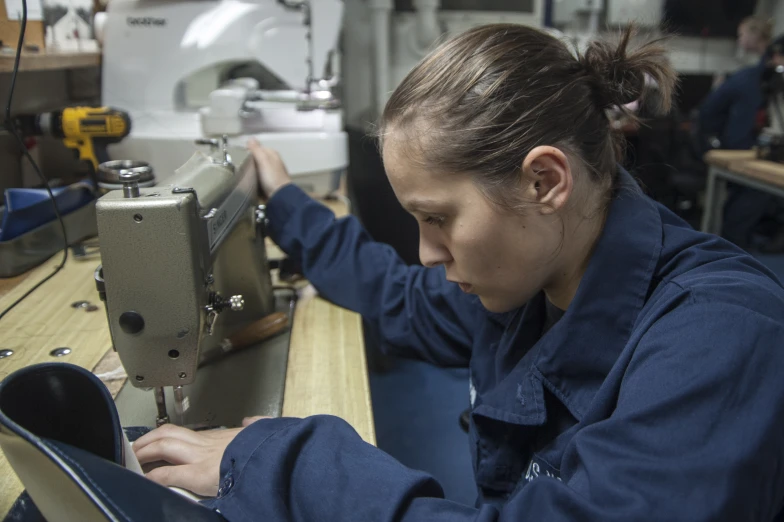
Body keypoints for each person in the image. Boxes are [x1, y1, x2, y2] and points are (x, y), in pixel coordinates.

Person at [132, 25, 784, 521]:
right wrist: (286, 201)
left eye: (437, 218)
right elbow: (390, 289)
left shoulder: (722, 338)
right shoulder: (535, 276)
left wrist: (289, 464)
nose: (426, 253)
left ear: (544, 180)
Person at [697, 17, 774, 250]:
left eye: (742, 35)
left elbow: (707, 112)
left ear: (754, 36)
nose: (740, 41)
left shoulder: (750, 79)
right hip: (745, 154)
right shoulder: (749, 79)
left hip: (743, 151)